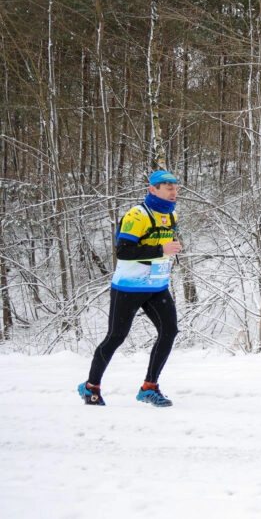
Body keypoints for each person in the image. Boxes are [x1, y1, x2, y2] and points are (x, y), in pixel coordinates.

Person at [78, 170, 182, 407]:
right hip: (129, 288)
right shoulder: (137, 215)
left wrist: (170, 249)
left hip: (156, 286)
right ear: (152, 190)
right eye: (168, 188)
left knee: (169, 331)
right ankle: (90, 387)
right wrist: (161, 251)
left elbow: (162, 244)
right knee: (116, 337)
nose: (173, 192)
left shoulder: (171, 215)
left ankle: (149, 387)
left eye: (175, 188)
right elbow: (123, 251)